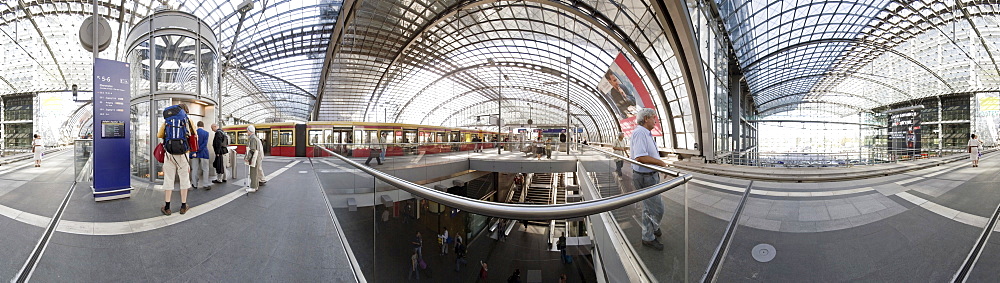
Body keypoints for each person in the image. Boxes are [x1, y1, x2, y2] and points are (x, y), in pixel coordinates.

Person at [631, 108, 666, 250]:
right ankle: (649, 235)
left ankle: (650, 231)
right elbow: (640, 156)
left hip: (649, 175)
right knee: (658, 209)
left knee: (648, 207)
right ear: (646, 119)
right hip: (646, 177)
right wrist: (661, 164)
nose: (655, 120)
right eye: (653, 117)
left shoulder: (645, 133)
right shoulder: (640, 132)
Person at [158, 103, 196, 215]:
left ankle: (167, 207)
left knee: (169, 179)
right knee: (184, 179)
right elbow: (194, 135)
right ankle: (183, 206)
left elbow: (159, 135)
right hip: (183, 155)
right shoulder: (189, 121)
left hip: (169, 154)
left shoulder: (167, 121)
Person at [189, 121, 211, 190]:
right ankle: (205, 184)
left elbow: (191, 144)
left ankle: (194, 184)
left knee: (194, 169)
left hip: (195, 154)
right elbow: (205, 143)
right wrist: (199, 149)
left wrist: (195, 151)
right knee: (205, 169)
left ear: (197, 125)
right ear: (203, 126)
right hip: (204, 153)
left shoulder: (193, 133)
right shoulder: (206, 133)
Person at [245, 125, 264, 193]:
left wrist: (247, 158)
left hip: (254, 158)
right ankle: (255, 186)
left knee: (253, 173)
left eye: (247, 131)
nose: (247, 132)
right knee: (255, 173)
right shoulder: (256, 138)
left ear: (250, 131)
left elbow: (252, 149)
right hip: (257, 158)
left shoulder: (252, 139)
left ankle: (253, 187)